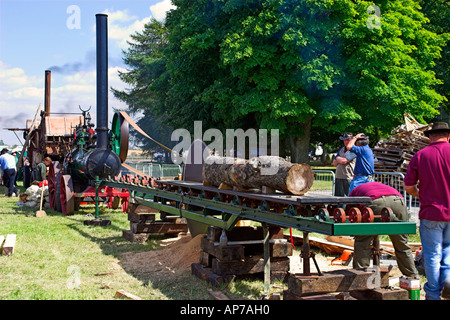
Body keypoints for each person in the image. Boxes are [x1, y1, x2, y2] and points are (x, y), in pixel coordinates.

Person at [404, 121, 450, 300]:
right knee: (448, 249)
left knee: (432, 254)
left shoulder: (421, 155)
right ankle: (447, 279)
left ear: (430, 137)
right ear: (448, 136)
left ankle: (432, 294)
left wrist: (420, 194)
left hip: (431, 213)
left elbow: (409, 186)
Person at [349, 181, 419, 277]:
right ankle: (413, 278)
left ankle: (361, 279)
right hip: (398, 201)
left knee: (362, 243)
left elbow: (350, 214)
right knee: (402, 244)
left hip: (375, 202)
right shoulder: (377, 185)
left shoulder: (354, 192)